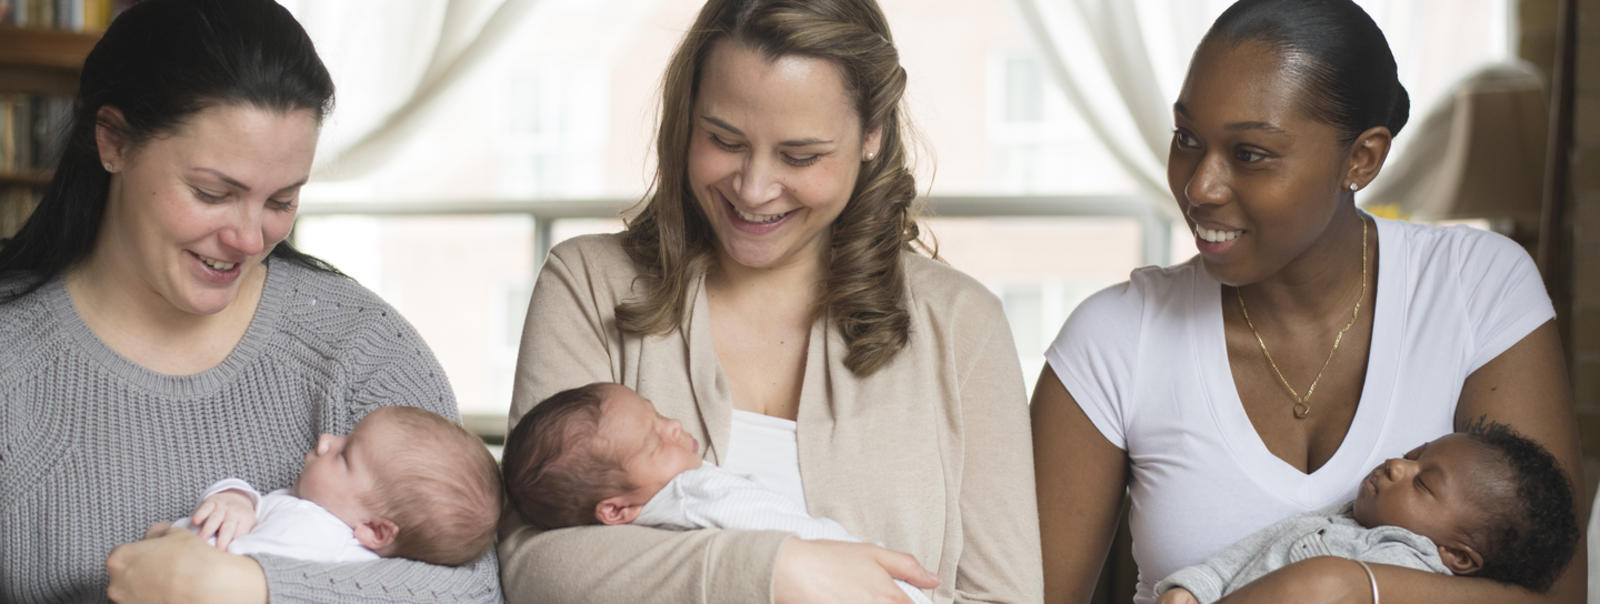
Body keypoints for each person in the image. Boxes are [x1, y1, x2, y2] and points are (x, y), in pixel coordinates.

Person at [1031, 1, 1585, 603]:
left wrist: (1338, 583)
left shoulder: (1475, 286)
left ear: (1361, 159)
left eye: (1249, 153)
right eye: (1187, 138)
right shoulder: (1114, 337)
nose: (1198, 187)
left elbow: (1555, 598)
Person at [495, 0, 1042, 602]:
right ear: (686, 120)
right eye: (723, 139)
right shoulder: (588, 283)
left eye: (800, 156)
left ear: (872, 135)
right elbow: (533, 567)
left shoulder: (962, 325)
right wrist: (776, 571)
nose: (754, 190)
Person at [0, 1, 501, 602]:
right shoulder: (13, 359)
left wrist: (245, 587)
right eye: (212, 193)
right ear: (113, 142)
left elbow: (473, 587)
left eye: (281, 201)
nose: (248, 239)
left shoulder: (361, 348)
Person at [502, 383, 934, 604]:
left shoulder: (658, 510)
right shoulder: (691, 495)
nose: (673, 426)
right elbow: (777, 530)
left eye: (657, 414)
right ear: (615, 510)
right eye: (654, 442)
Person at [1152, 423, 1580, 604]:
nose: (1397, 466)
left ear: (1457, 556)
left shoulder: (1405, 562)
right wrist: (1193, 588)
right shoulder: (1337, 520)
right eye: (1413, 456)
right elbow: (1244, 554)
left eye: (1423, 483)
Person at [168, 406, 502, 567]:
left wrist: (168, 538)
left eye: (344, 454)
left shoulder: (312, 533)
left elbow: (218, 574)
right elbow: (262, 509)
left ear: (374, 529)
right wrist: (238, 497)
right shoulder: (317, 519)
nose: (326, 440)